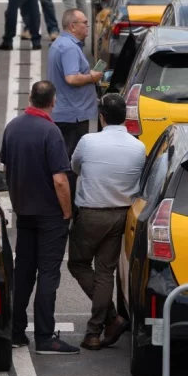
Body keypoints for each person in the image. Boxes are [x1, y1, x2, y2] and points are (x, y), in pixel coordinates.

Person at [0, 81, 78, 355]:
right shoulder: (51, 132)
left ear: (31, 97)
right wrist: (67, 212)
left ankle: (16, 331)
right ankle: (45, 337)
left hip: (25, 213)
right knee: (48, 274)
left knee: (23, 272)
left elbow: (7, 168)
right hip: (50, 216)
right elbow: (60, 180)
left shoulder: (12, 127)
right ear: (53, 101)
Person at [68, 93, 145, 350]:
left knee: (78, 264)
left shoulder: (89, 141)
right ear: (126, 117)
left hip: (90, 213)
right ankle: (95, 330)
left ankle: (110, 319)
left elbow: (76, 167)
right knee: (105, 272)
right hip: (121, 215)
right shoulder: (138, 147)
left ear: (101, 117)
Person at [48, 9, 101, 159]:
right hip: (73, 116)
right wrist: (92, 77)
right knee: (70, 161)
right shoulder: (69, 48)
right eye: (84, 23)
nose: (87, 26)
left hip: (65, 112)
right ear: (72, 26)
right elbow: (71, 78)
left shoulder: (60, 43)